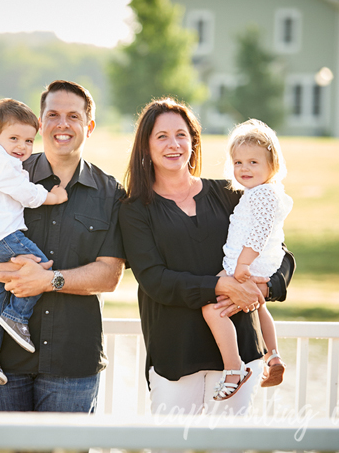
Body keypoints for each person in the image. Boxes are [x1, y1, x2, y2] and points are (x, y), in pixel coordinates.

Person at [0, 80, 126, 413]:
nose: (63, 124)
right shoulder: (4, 170)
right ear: (41, 122)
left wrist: (48, 280)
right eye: (53, 114)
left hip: (71, 359)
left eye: (74, 115)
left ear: (90, 125)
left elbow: (110, 275)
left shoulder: (110, 192)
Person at [118, 98, 295, 417]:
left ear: (193, 141)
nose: (173, 144)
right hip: (176, 351)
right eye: (161, 136)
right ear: (145, 146)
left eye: (181, 135)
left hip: (240, 350)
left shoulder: (231, 193)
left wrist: (265, 290)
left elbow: (279, 255)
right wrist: (222, 287)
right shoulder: (134, 210)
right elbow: (155, 281)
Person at [0, 98, 68, 386]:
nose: (22, 146)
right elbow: (26, 193)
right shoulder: (3, 165)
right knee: (38, 267)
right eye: (14, 138)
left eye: (29, 140)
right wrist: (52, 196)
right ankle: (16, 316)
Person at [203, 118, 292, 401]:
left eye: (253, 162)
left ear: (272, 165)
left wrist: (241, 266)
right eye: (238, 163)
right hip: (255, 264)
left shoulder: (264, 195)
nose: (244, 169)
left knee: (210, 306)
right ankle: (273, 355)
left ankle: (234, 368)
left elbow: (259, 234)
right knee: (257, 306)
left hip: (249, 263)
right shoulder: (258, 193)